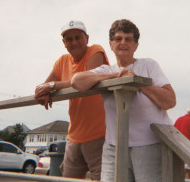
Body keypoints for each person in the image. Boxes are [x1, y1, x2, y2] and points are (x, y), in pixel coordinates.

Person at [71, 19, 176, 182]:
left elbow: (170, 101)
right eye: (118, 39)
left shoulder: (149, 65)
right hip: (114, 147)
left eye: (128, 39)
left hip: (149, 145)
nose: (123, 43)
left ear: (136, 45)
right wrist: (116, 76)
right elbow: (77, 81)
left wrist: (137, 82)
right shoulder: (106, 70)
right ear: (111, 44)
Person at [34, 20, 109, 180]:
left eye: (78, 37)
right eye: (69, 39)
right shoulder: (62, 61)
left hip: (100, 134)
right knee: (68, 178)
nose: (74, 42)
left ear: (87, 38)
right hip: (74, 136)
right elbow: (42, 87)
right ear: (63, 43)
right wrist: (45, 91)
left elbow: (89, 78)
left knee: (102, 178)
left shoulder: (96, 50)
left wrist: (53, 85)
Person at [174, 107, 190, 179]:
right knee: (189, 163)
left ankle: (185, 178)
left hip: (178, 144)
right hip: (187, 145)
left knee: (182, 163)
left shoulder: (178, 119)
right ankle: (188, 178)